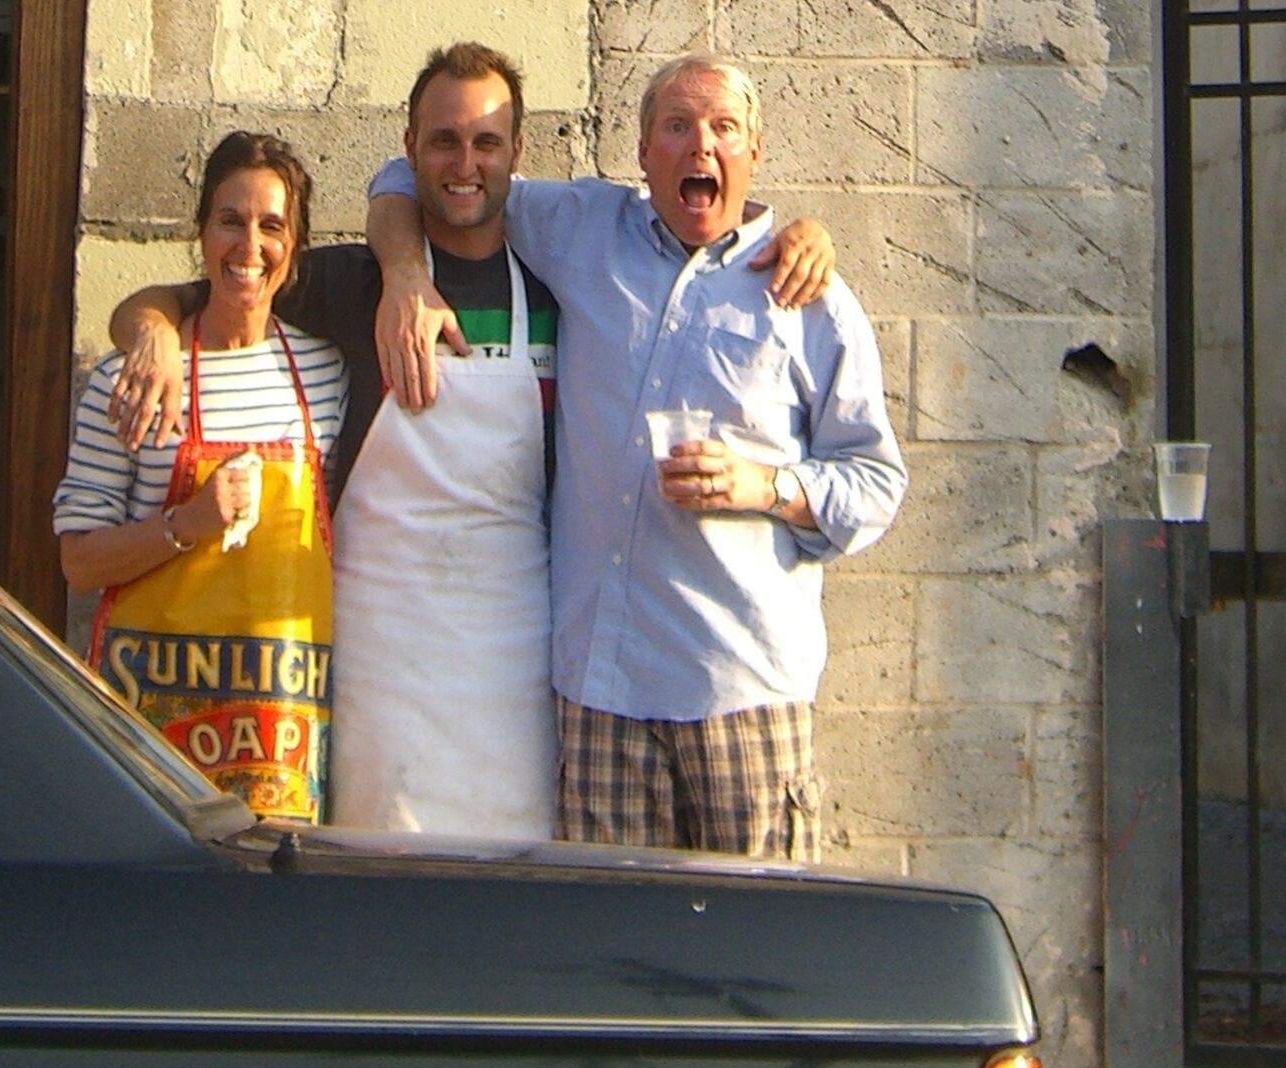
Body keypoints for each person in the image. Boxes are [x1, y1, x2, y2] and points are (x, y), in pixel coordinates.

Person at [106, 47, 836, 835]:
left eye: (486, 143)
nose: (465, 162)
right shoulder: (355, 282)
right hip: (381, 655)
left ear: (516, 157)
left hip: (518, 649)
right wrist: (149, 334)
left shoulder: (563, 276)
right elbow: (191, 294)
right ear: (410, 148)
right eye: (444, 141)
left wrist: (803, 230)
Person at [370, 54, 901, 862]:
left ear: (756, 152)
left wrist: (770, 486)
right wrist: (404, 273)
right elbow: (419, 175)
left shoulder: (811, 298)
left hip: (741, 691)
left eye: (725, 128)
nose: (701, 147)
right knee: (607, 957)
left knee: (755, 964)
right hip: (600, 697)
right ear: (643, 151)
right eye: (677, 127)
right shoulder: (585, 228)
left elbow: (875, 482)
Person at [56, 132, 341, 820]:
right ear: (200, 233)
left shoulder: (330, 374)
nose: (250, 246)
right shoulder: (132, 382)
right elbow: (79, 562)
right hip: (152, 733)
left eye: (272, 225)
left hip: (284, 744)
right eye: (230, 221)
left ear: (295, 246)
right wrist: (189, 524)